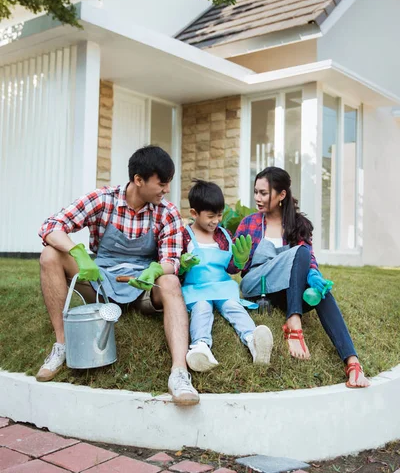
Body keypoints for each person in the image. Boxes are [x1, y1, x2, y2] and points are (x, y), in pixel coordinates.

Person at [37, 145, 199, 405]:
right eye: (162, 183)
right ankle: (63, 345)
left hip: (142, 286)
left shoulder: (166, 212)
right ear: (138, 180)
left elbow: (171, 260)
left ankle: (179, 373)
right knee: (49, 255)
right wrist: (77, 253)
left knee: (169, 281)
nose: (167, 189)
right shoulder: (103, 200)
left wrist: (156, 269)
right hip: (100, 283)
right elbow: (51, 226)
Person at [232, 166, 369, 389]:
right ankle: (293, 321)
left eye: (263, 193)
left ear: (282, 195)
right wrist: (238, 261)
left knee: (322, 293)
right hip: (258, 285)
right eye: (256, 192)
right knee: (300, 252)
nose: (257, 198)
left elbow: (309, 260)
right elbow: (232, 267)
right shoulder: (250, 223)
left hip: (286, 291)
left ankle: (352, 363)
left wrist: (315, 278)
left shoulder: (298, 224)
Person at [181, 179, 273, 372]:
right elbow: (175, 269)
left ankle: (253, 341)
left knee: (234, 307)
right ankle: (200, 347)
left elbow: (231, 269)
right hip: (196, 289)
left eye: (220, 215)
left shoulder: (223, 235)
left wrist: (239, 262)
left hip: (222, 287)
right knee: (202, 309)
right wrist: (182, 266)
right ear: (194, 213)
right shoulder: (185, 235)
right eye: (210, 216)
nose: (216, 221)